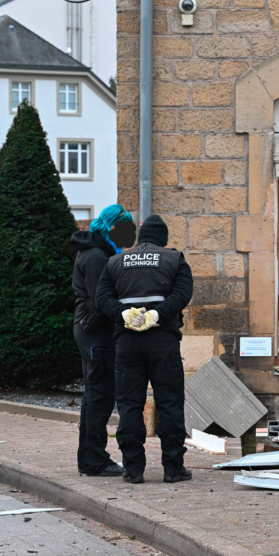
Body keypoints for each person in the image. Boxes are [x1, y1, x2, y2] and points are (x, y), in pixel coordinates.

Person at [95, 214, 193, 484]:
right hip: (164, 341)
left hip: (127, 342)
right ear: (163, 238)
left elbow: (101, 297)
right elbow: (182, 294)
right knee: (170, 403)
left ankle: (133, 469)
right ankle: (173, 469)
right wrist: (156, 315)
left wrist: (124, 314)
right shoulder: (174, 259)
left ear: (140, 237)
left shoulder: (115, 261)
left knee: (129, 404)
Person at [70, 204, 137, 477]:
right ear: (112, 227)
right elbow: (100, 302)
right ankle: (95, 460)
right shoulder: (98, 256)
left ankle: (90, 459)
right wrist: (128, 315)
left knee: (95, 395)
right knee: (100, 396)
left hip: (90, 330)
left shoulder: (96, 251)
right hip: (95, 331)